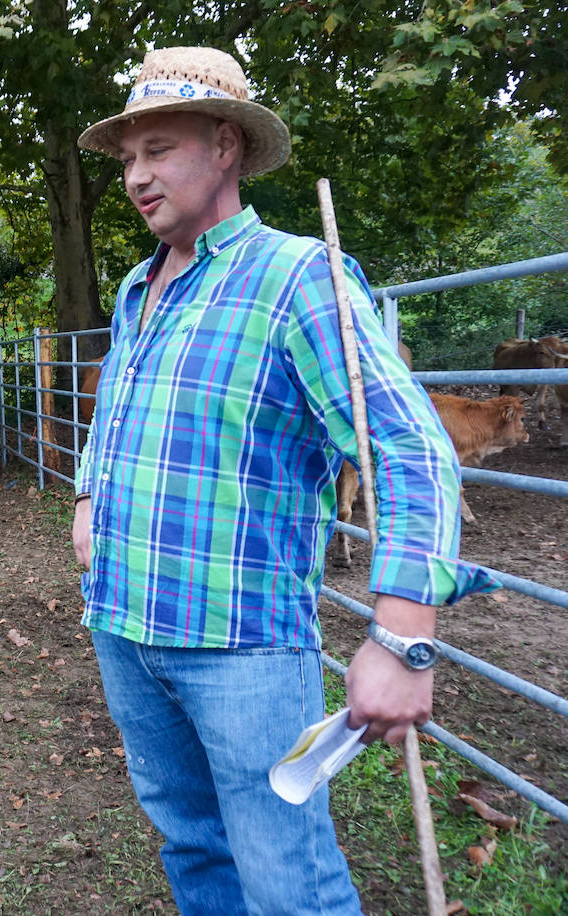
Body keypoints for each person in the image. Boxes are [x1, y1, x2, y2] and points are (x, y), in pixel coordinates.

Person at [71, 46, 497, 914]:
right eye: (127, 159)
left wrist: (402, 634)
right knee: (193, 848)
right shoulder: (135, 288)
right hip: (124, 626)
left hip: (243, 651)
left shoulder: (298, 276)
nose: (136, 178)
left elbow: (412, 450)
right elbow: (117, 404)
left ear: (225, 145)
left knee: (285, 882)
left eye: (158, 151)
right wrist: (85, 496)